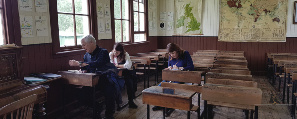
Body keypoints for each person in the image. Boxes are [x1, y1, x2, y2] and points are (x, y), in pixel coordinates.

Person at [69, 35, 121, 119]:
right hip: (92, 81)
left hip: (104, 79)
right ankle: (97, 107)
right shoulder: (86, 55)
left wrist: (79, 63)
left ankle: (109, 115)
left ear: (91, 43)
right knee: (80, 94)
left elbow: (98, 63)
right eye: (82, 45)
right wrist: (82, 69)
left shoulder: (103, 52)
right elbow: (86, 67)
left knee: (110, 91)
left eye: (84, 45)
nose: (83, 47)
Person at [152, 43, 194, 116]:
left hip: (182, 77)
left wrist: (180, 68)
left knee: (171, 87)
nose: (172, 55)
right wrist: (169, 68)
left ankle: (169, 106)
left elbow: (191, 67)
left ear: (177, 50)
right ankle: (161, 104)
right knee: (160, 86)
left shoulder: (185, 54)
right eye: (170, 53)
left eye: (173, 53)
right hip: (172, 77)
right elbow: (169, 66)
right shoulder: (170, 57)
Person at [109, 43, 138, 108]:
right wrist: (116, 65)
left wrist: (117, 66)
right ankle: (116, 102)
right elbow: (110, 65)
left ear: (121, 51)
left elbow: (128, 65)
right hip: (116, 73)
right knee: (113, 84)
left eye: (117, 52)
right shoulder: (111, 54)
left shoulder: (125, 54)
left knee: (129, 83)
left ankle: (131, 101)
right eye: (114, 51)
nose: (115, 53)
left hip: (126, 72)